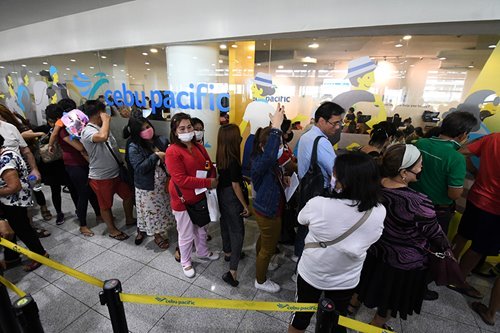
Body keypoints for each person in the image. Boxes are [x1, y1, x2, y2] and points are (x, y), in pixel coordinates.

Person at [352, 144, 450, 331]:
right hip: (402, 261)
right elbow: (434, 232)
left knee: (364, 281)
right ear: (404, 172)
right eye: (419, 165)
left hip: (373, 250)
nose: (421, 168)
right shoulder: (418, 201)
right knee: (391, 297)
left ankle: (351, 305)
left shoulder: (373, 187)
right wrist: (446, 247)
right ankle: (376, 325)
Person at [288, 152, 386, 333]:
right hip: (346, 278)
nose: (332, 177)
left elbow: (301, 219)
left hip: (313, 272)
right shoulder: (379, 211)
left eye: (335, 174)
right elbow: (373, 238)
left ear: (345, 181)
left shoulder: (319, 204)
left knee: (300, 316)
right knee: (336, 320)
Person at [165, 112, 219, 278]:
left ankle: (202, 251)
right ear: (175, 131)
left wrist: (212, 176)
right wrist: (207, 183)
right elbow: (181, 180)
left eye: (189, 127)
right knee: (186, 233)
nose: (187, 130)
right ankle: (186, 261)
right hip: (182, 199)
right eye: (182, 128)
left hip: (200, 195)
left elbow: (208, 165)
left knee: (201, 229)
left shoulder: (198, 146)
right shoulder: (173, 151)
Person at [449, 133, 500, 298]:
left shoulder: (494, 138)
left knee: (463, 234)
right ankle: (458, 280)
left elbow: (461, 152)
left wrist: (474, 171)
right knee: (479, 248)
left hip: (477, 196)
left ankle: (448, 266)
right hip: (494, 207)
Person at [410, 111, 478, 235]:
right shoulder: (456, 158)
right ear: (463, 135)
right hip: (436, 212)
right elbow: (454, 194)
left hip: (412, 203)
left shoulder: (420, 143)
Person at [296, 102, 344, 261]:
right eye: (335, 123)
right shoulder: (322, 142)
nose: (337, 127)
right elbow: (336, 171)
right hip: (318, 192)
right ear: (322, 120)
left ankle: (298, 255)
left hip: (305, 188)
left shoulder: (306, 136)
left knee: (304, 226)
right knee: (313, 232)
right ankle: (302, 267)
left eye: (339, 123)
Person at [81, 100, 134, 240]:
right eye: (104, 112)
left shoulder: (102, 126)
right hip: (101, 176)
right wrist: (105, 120)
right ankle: (112, 230)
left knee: (128, 195)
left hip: (117, 172)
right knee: (105, 205)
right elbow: (102, 137)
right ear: (100, 113)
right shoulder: (87, 130)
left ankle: (129, 219)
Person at [251, 106, 289, 293]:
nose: (280, 148)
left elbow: (273, 162)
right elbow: (269, 156)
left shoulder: (269, 160)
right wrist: (275, 127)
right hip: (267, 211)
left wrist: (284, 179)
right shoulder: (261, 161)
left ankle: (261, 263)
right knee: (268, 247)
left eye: (282, 144)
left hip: (270, 208)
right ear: (262, 147)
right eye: (277, 144)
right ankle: (260, 279)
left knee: (265, 241)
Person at [0, 134, 49, 271]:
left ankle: (40, 254)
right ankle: (12, 257)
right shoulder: (9, 152)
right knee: (14, 229)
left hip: (15, 202)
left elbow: (14, 186)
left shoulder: (5, 161)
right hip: (16, 200)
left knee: (23, 230)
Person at [125, 117, 174, 249]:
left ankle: (165, 227)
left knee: (164, 208)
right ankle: (157, 235)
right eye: (143, 129)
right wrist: (155, 156)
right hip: (147, 186)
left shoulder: (162, 140)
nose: (147, 130)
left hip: (164, 181)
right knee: (152, 212)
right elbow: (139, 168)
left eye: (148, 127)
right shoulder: (134, 147)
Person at [54, 101, 101, 236]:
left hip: (85, 162)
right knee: (83, 193)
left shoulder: (75, 123)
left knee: (92, 190)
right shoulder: (63, 129)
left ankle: (98, 215)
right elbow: (80, 147)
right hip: (74, 165)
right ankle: (83, 225)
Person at [0, 105, 53, 223]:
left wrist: (34, 169)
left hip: (22, 171)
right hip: (3, 181)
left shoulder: (10, 127)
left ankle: (36, 218)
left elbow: (26, 150)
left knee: (32, 195)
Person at [216, 124, 251, 287]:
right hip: (232, 195)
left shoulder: (221, 155)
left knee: (225, 224)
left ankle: (228, 252)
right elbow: (236, 185)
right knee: (237, 231)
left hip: (222, 193)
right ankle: (232, 272)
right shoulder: (234, 160)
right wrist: (245, 206)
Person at [41, 104, 79, 225]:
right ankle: (60, 213)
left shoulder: (64, 126)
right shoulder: (45, 129)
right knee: (56, 190)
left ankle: (77, 210)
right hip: (54, 164)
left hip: (61, 163)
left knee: (70, 188)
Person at [190, 117, 212, 242]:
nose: (199, 132)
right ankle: (181, 249)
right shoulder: (187, 147)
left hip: (202, 186)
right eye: (196, 129)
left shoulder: (201, 146)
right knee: (189, 222)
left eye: (201, 129)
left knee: (201, 214)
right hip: (193, 187)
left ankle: (201, 236)